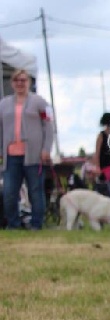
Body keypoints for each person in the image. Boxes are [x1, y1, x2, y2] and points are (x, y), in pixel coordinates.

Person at [0, 69, 54, 230]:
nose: (20, 83)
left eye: (23, 80)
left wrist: (46, 149)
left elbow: (49, 126)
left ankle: (37, 224)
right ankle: (13, 224)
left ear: (29, 82)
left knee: (35, 191)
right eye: (17, 80)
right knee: (9, 192)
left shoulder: (40, 102)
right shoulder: (3, 104)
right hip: (10, 156)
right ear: (12, 83)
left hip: (34, 156)